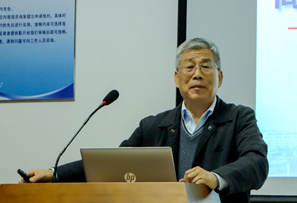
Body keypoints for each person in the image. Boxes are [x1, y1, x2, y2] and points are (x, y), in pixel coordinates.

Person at [22, 38, 268, 203]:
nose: (197, 74)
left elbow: (257, 163)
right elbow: (110, 165)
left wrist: (215, 177)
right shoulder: (153, 126)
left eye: (205, 66)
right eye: (189, 67)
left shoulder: (239, 118)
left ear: (220, 77)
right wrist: (54, 174)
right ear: (176, 78)